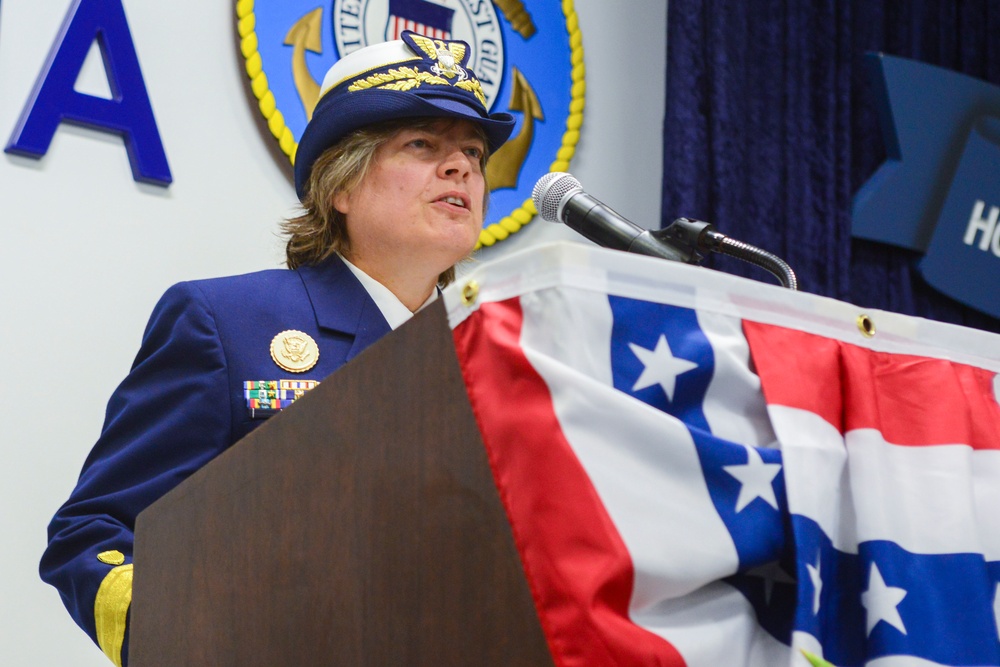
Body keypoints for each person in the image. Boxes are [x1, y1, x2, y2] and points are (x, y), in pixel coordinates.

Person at [39, 31, 514, 667]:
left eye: (474, 154)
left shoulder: (501, 361)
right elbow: (94, 533)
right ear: (340, 186)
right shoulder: (225, 321)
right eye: (422, 145)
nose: (461, 168)